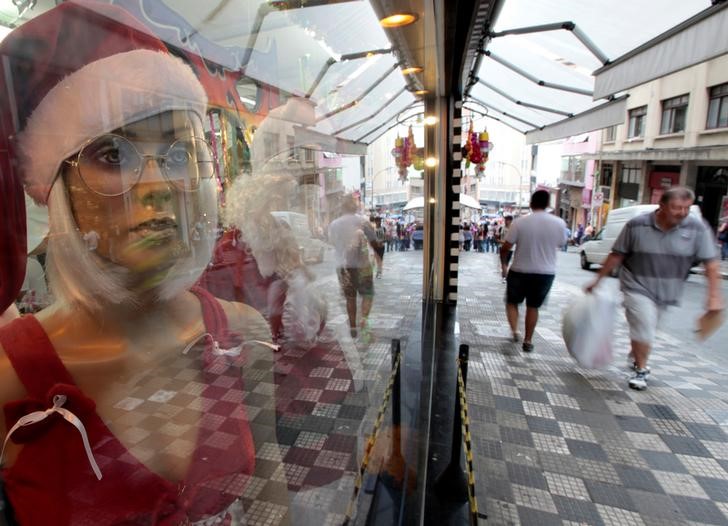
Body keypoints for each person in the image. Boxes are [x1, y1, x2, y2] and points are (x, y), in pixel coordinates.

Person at [0, 3, 280, 524]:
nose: (156, 189)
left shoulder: (240, 335)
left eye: (179, 156)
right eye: (112, 155)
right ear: (56, 185)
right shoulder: (10, 376)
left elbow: (272, 502)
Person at [586, 187, 724, 390]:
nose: (682, 213)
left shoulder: (697, 227)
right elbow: (617, 255)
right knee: (644, 326)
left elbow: (711, 263)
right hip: (636, 285)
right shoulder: (636, 225)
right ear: (662, 206)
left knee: (647, 329)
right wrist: (598, 280)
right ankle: (641, 370)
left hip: (667, 291)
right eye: (677, 208)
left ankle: (636, 354)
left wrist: (713, 296)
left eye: (686, 208)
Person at [500, 190, 568, 352]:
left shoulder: (519, 222)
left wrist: (504, 266)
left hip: (520, 270)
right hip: (545, 273)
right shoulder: (559, 223)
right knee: (533, 306)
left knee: (512, 302)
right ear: (548, 204)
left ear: (531, 203)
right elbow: (561, 243)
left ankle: (515, 330)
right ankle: (528, 340)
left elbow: (506, 248)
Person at [328, 196, 379, 339]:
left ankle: (352, 327)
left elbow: (332, 243)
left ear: (341, 207)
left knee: (350, 298)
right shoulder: (363, 221)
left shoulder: (334, 224)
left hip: (344, 267)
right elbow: (374, 241)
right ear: (354, 206)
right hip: (363, 266)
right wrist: (378, 257)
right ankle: (364, 321)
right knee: (367, 295)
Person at [498, 215, 514, 283]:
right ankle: (504, 276)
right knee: (504, 263)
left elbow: (511, 241)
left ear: (510, 221)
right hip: (502, 247)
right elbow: (500, 236)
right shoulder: (503, 228)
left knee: (505, 263)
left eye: (506, 220)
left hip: (510, 248)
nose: (505, 221)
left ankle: (505, 277)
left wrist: (500, 241)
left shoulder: (513, 229)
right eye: (505, 220)